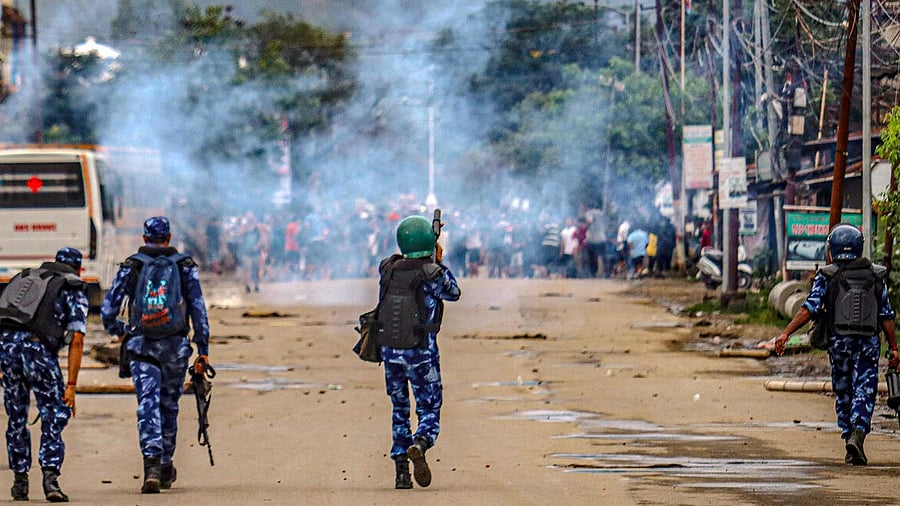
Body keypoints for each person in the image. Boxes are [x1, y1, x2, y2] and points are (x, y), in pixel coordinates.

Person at [101, 216, 211, 493]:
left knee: (147, 404)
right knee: (169, 406)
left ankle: (150, 464)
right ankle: (165, 465)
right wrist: (203, 349)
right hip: (175, 347)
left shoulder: (132, 266)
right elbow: (198, 309)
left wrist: (122, 331)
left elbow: (108, 310)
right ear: (169, 238)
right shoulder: (185, 266)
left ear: (144, 237)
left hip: (141, 347)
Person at [775, 223, 898, 466]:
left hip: (839, 342)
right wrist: (894, 348)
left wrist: (786, 333)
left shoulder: (827, 275)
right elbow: (886, 315)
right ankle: (858, 433)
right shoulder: (876, 276)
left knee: (843, 390)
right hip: (868, 343)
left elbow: (809, 308)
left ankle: (848, 436)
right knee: (865, 389)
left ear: (832, 249)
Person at [375, 216, 460, 490]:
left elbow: (405, 262)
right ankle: (420, 443)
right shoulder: (433, 274)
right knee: (429, 407)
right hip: (421, 353)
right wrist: (438, 260)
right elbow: (454, 292)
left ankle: (401, 473)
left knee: (399, 409)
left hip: (391, 351)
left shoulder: (388, 268)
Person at [0, 247, 88, 502]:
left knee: (16, 416)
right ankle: (50, 480)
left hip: (7, 349)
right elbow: (78, 339)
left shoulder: (27, 278)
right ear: (78, 268)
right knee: (54, 412)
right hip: (37, 351)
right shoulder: (71, 286)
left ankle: (19, 483)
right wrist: (70, 385)